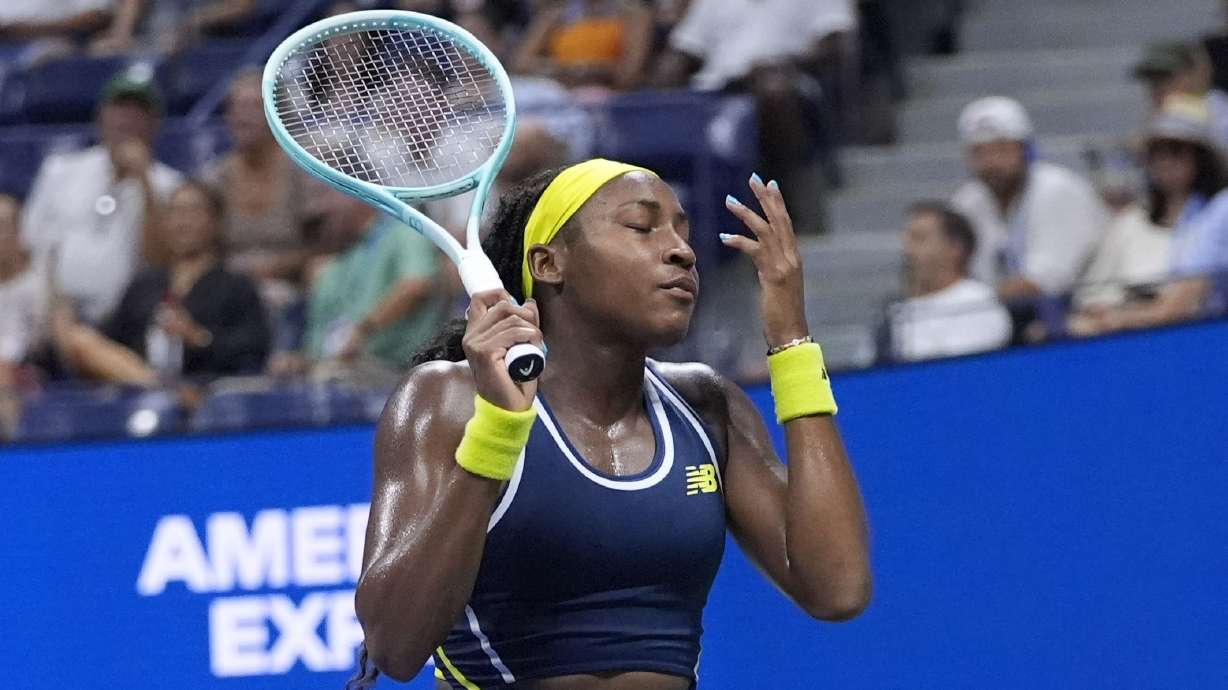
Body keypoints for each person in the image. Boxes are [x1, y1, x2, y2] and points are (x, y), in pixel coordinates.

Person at [349, 161, 871, 689]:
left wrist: (792, 342)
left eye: (682, 232)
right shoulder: (449, 399)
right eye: (642, 227)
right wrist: (498, 431)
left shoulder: (706, 405)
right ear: (549, 263)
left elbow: (838, 589)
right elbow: (395, 645)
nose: (682, 251)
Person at [52, 180, 270, 385]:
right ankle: (156, 386)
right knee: (79, 339)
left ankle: (161, 389)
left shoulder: (235, 286)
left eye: (193, 212)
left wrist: (197, 337)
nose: (183, 222)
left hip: (206, 388)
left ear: (216, 222)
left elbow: (253, 348)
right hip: (135, 389)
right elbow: (113, 338)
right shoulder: (145, 284)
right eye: (175, 212)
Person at [22, 66, 183, 327]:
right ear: (101, 116)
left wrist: (144, 181)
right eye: (119, 109)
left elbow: (160, 260)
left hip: (130, 321)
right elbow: (30, 243)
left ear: (155, 123)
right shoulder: (60, 169)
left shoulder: (171, 185)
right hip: (53, 314)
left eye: (137, 112)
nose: (126, 121)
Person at [1071, 95, 1228, 336]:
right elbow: (1093, 296)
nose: (1164, 161)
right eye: (1156, 151)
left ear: (1200, 158)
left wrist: (1116, 319)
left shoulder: (1219, 211)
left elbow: (1178, 308)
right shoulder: (1134, 221)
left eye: (1176, 150)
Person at [269, 185, 447, 383]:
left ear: (357, 194)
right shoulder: (348, 255)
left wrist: (363, 329)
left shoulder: (405, 231)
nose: (321, 208)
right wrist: (301, 360)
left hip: (393, 372)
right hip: (341, 369)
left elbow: (416, 285)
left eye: (328, 196)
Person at [951, 96, 1110, 302]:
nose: (991, 163)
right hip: (1004, 310)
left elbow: (1042, 283)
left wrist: (973, 303)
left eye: (1001, 149)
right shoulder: (967, 201)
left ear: (1025, 150)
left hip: (1083, 306)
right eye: (979, 153)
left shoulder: (1058, 188)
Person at [203, 69, 312, 308]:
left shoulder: (301, 171)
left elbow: (321, 245)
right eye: (236, 107)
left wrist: (276, 267)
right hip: (227, 289)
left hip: (291, 289)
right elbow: (203, 246)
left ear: (277, 113)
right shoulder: (215, 177)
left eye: (254, 107)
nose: (243, 117)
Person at [884, 202, 1011, 362]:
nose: (908, 251)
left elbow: (962, 368)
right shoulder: (898, 310)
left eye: (919, 239)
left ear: (955, 248)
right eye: (906, 241)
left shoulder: (978, 303)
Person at [514, 0, 654, 91]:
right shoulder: (555, 14)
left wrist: (592, 70)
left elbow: (628, 74)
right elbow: (521, 64)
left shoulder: (633, 15)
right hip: (555, 92)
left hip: (606, 97)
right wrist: (565, 70)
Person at [0, 193, 48, 438]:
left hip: (26, 368)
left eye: (2, 227)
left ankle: (9, 440)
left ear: (18, 232)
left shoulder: (36, 284)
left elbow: (41, 342)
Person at [1131, 41, 1228, 150]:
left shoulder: (1217, 110)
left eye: (1164, 77)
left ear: (1192, 74)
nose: (1157, 87)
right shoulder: (1160, 114)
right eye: (1151, 79)